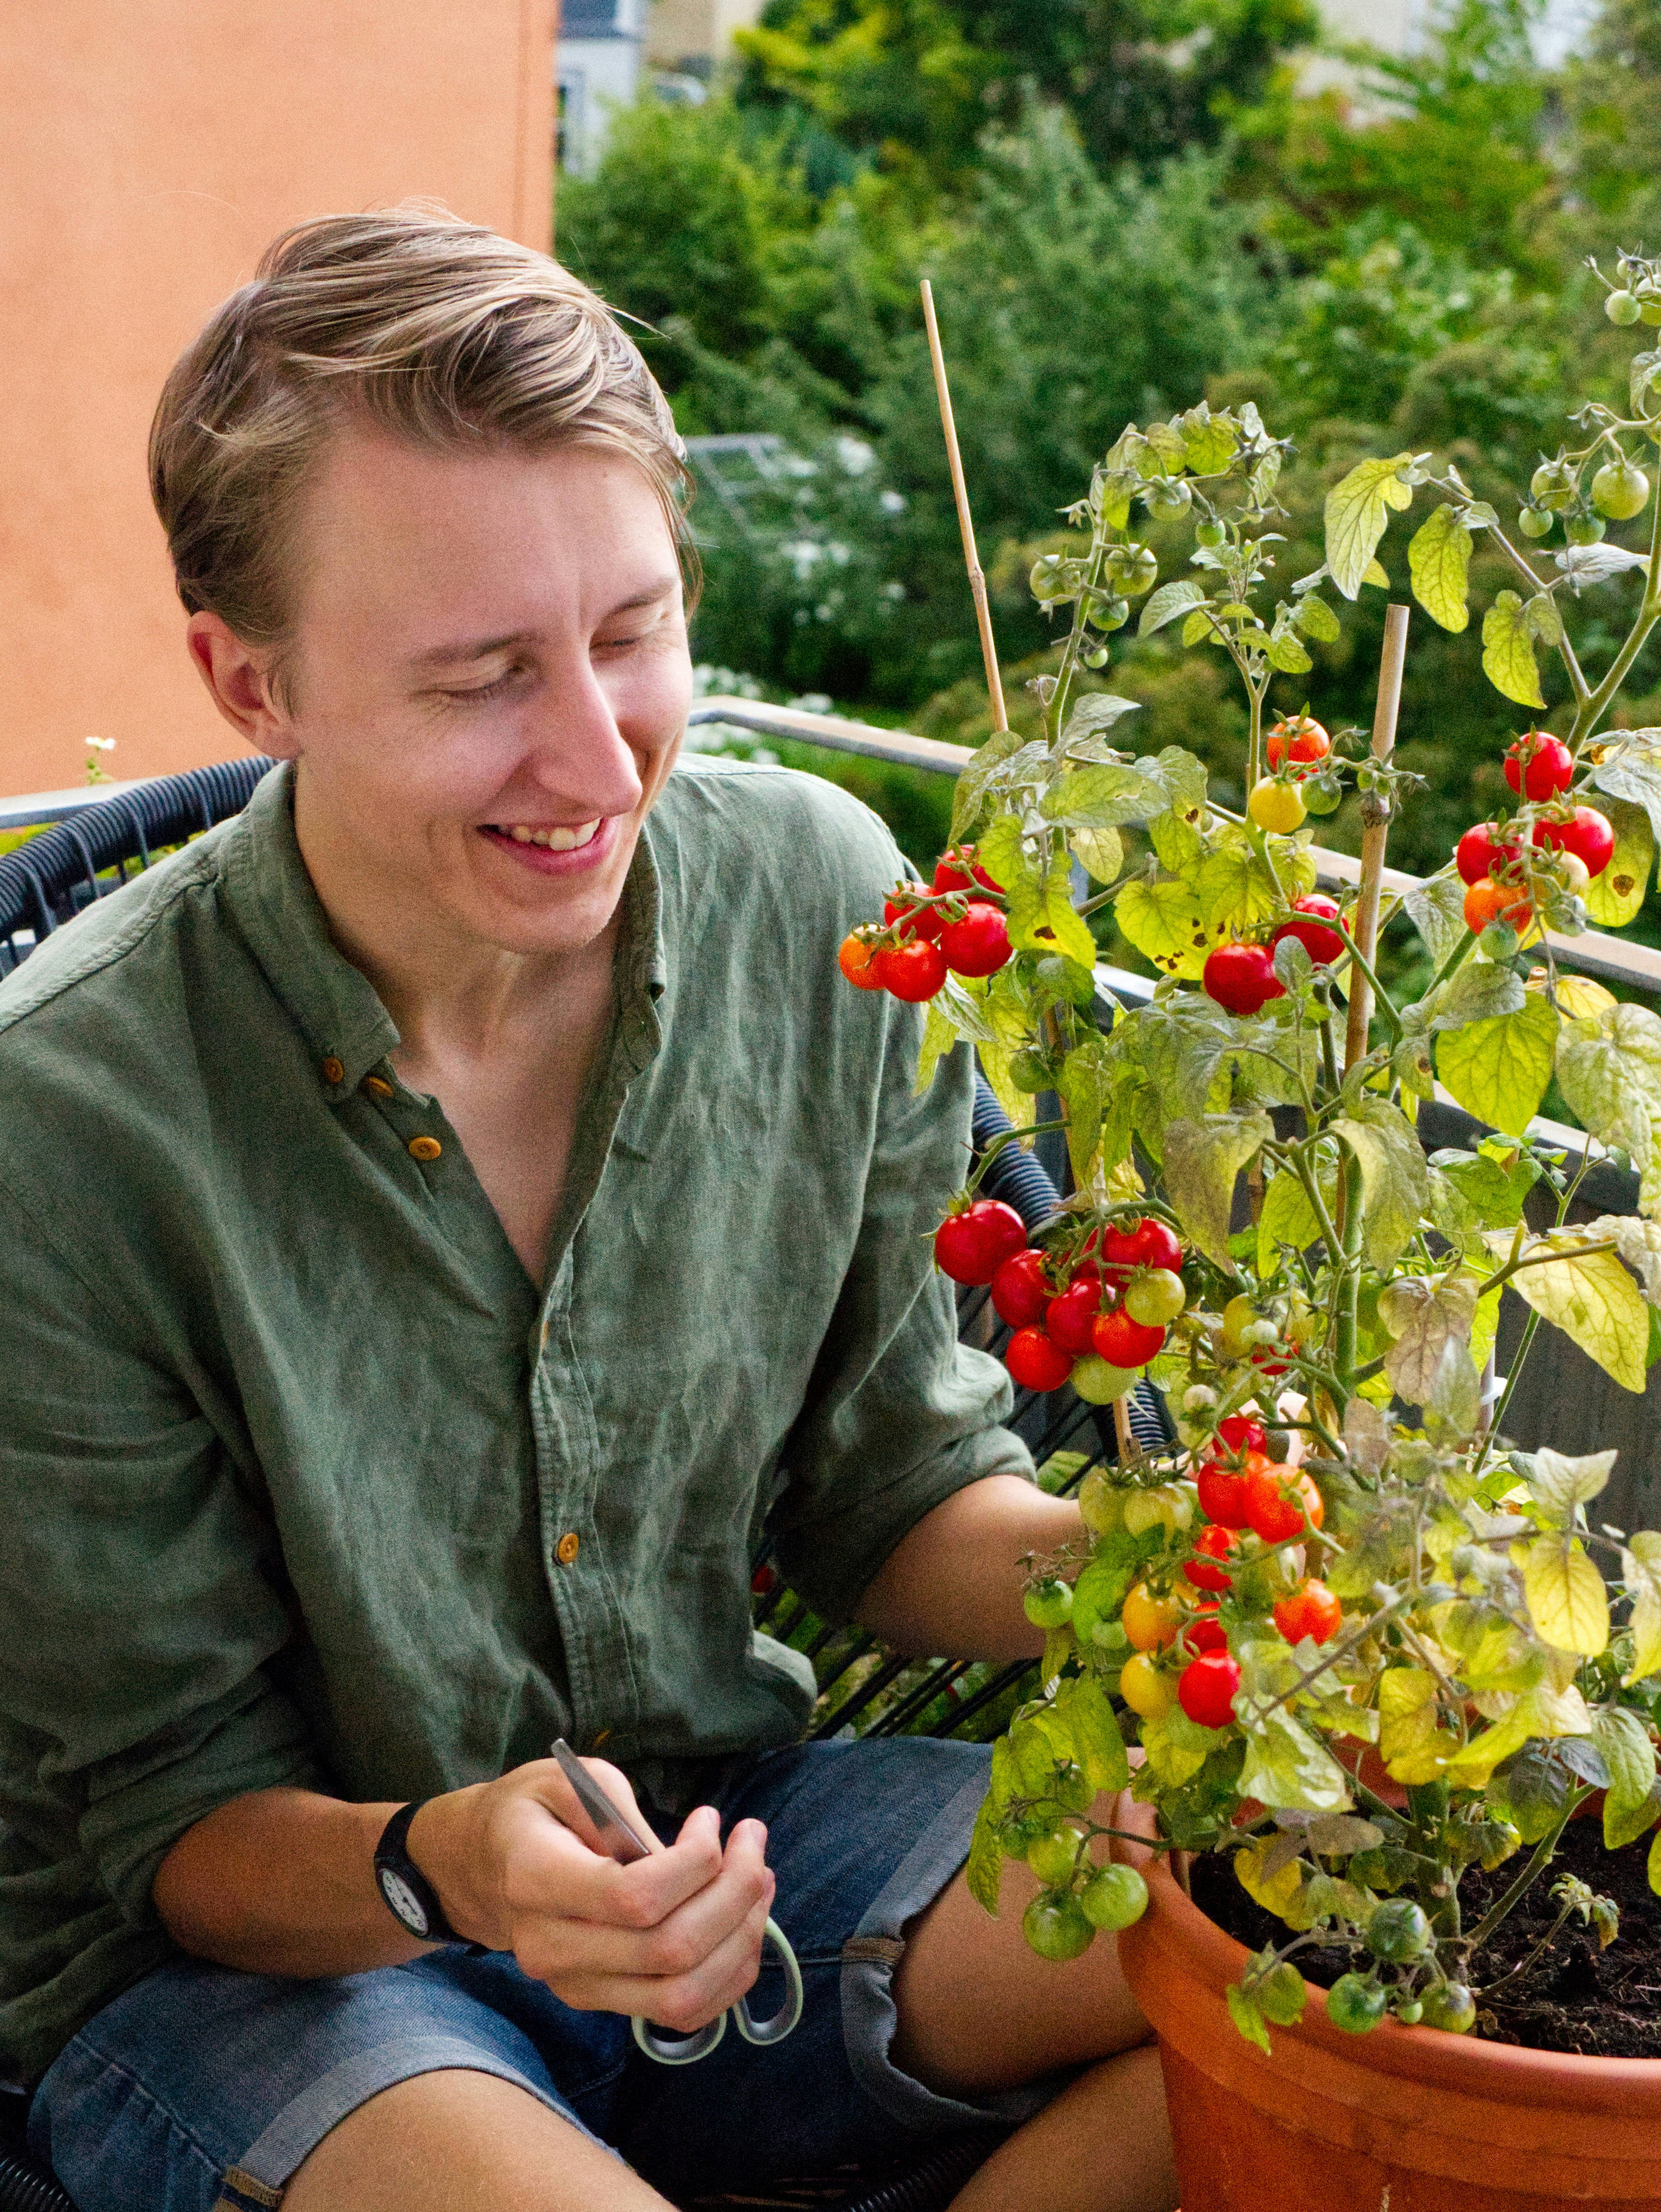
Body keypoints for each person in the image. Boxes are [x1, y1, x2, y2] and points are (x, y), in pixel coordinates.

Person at [0, 208, 1176, 2212]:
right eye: (478, 679)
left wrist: (1183, 1575)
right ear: (246, 679)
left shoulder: (819, 898)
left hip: (744, 1846)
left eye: (632, 634)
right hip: (273, 1965)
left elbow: (892, 1497)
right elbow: (177, 1829)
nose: (593, 755)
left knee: (1293, 1954)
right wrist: (449, 1857)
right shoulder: (68, 1124)